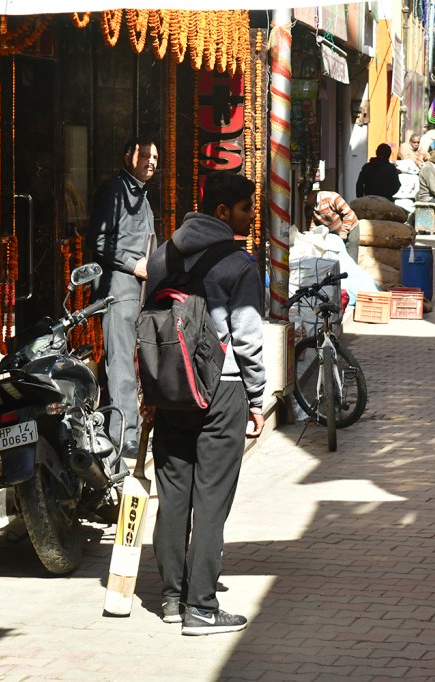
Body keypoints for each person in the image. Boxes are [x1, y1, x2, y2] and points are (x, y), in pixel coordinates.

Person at [145, 170, 266, 636]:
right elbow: (248, 338)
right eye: (245, 208)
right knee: (212, 497)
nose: (251, 216)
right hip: (222, 389)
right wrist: (257, 398)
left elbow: (151, 320)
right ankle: (201, 607)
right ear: (222, 212)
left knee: (174, 492)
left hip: (171, 387)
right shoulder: (239, 264)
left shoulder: (163, 256)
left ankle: (171, 598)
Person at [88, 136, 159, 459]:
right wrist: (134, 264)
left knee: (129, 362)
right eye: (145, 155)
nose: (151, 161)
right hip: (119, 288)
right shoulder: (115, 191)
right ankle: (124, 436)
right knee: (121, 364)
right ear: (128, 156)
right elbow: (98, 240)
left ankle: (124, 428)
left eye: (155, 157)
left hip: (138, 289)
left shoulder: (141, 195)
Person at [309, 188, 360, 262]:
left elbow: (349, 214)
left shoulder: (332, 197)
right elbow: (313, 226)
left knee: (350, 260)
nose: (305, 200)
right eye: (302, 197)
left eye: (306, 196)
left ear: (313, 193)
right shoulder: (309, 207)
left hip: (350, 228)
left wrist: (343, 233)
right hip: (335, 234)